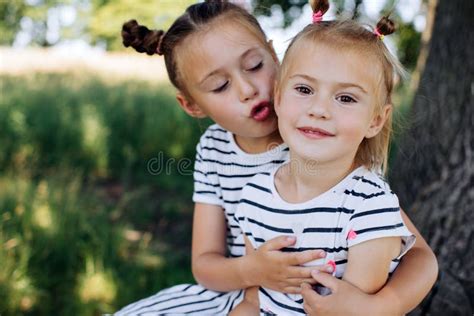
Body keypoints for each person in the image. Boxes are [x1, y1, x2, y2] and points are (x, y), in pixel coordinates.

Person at [116, 1, 438, 315]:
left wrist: (378, 307)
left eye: (255, 66)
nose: (246, 89)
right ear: (193, 106)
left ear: (274, 55)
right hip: (241, 292)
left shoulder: (315, 138)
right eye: (220, 85)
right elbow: (205, 264)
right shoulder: (214, 148)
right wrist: (253, 271)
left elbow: (419, 256)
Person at [233, 1, 426, 314]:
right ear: (279, 98)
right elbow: (253, 301)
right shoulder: (255, 196)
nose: (319, 109)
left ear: (375, 120)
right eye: (305, 89)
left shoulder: (369, 207)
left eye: (345, 98)